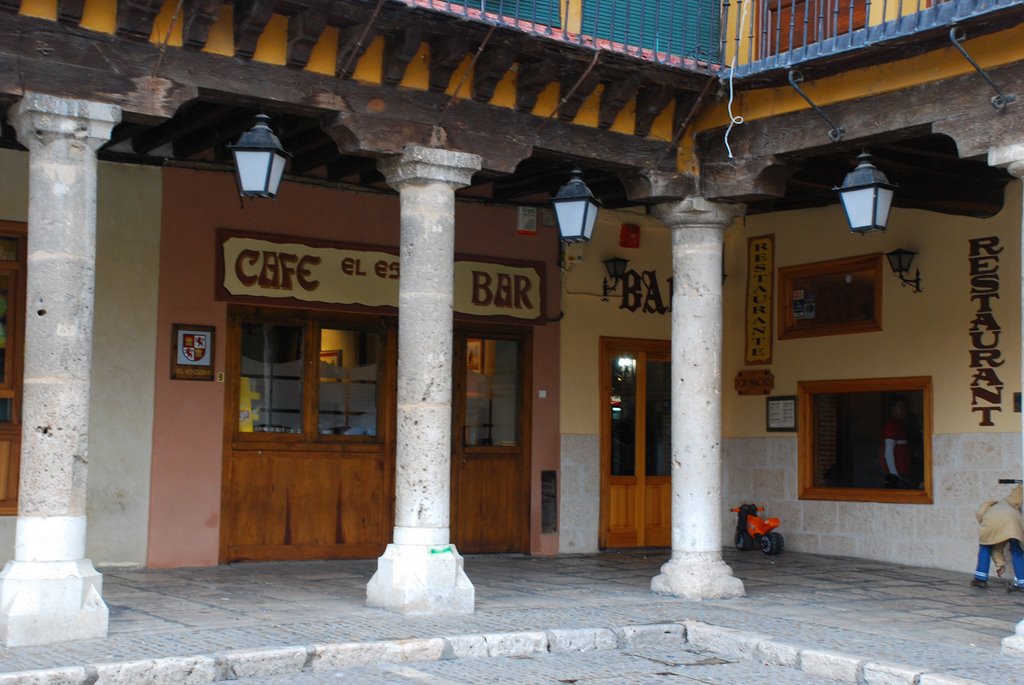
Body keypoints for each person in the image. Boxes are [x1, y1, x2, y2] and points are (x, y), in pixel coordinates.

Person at [972, 484, 1024, 591]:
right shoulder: (1011, 505)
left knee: (985, 547)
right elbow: (1018, 494)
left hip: (992, 521)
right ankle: (1022, 582)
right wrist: (1020, 486)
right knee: (1016, 550)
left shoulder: (990, 508)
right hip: (1015, 521)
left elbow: (997, 546)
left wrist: (1000, 565)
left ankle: (980, 579)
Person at [880, 395, 912, 488]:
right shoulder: (892, 426)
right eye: (901, 407)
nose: (904, 410)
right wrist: (894, 476)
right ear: (893, 409)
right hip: (898, 475)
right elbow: (888, 453)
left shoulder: (900, 426)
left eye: (906, 407)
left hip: (903, 473)